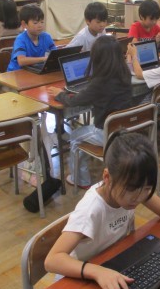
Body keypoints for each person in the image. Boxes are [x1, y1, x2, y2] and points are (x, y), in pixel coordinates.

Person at [44, 132, 160, 289]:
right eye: (132, 189)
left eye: (147, 189)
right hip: (77, 277)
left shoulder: (133, 188)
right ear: (107, 178)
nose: (139, 198)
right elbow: (52, 260)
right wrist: (97, 271)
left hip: (110, 262)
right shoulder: (91, 210)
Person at [47, 35, 132, 189]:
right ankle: (81, 172)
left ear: (97, 58)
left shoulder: (100, 82)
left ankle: (80, 179)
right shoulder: (124, 74)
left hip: (106, 133)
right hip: (124, 129)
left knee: (74, 137)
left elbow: (73, 101)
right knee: (82, 134)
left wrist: (60, 94)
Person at [7, 4, 56, 71]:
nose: (40, 25)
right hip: (17, 73)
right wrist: (44, 59)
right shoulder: (20, 39)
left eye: (42, 22)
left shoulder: (47, 37)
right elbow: (21, 61)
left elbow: (55, 54)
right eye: (35, 23)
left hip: (35, 71)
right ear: (24, 24)